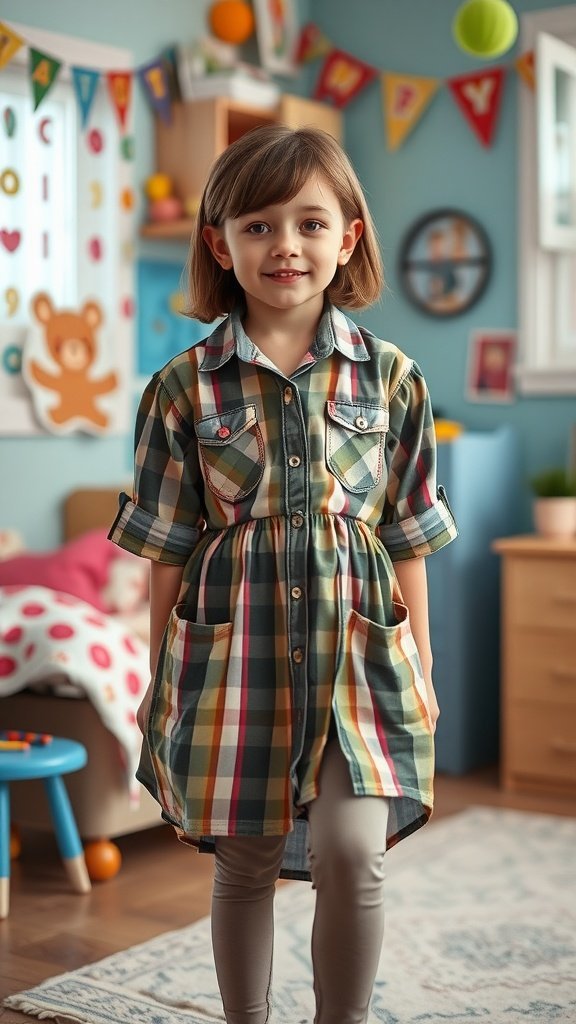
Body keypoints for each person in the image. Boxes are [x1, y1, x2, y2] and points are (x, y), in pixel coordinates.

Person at [109, 124, 458, 1024]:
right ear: (220, 244)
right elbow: (167, 554)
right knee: (248, 860)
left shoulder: (394, 380)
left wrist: (418, 667)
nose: (285, 246)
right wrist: (163, 681)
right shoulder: (182, 391)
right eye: (258, 226)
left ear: (346, 238)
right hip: (232, 665)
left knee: (353, 851)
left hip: (362, 661)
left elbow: (411, 538)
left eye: (309, 223)